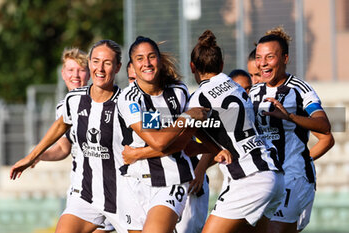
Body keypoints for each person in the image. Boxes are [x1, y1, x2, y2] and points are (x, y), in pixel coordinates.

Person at [10, 39, 127, 233]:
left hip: (120, 192)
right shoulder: (70, 103)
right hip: (83, 190)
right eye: (70, 70)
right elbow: (63, 144)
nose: (75, 75)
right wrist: (35, 155)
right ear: (63, 73)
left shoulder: (124, 101)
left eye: (80, 70)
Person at [116, 36, 230, 233]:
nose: (147, 63)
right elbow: (159, 142)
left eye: (151, 57)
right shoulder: (129, 98)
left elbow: (182, 142)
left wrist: (214, 148)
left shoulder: (178, 91)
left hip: (172, 180)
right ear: (132, 66)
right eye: (140, 59)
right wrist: (185, 117)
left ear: (159, 59)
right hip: (133, 182)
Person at [187, 29, 284, 233]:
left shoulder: (198, 99)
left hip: (249, 179)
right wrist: (213, 147)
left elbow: (184, 129)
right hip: (274, 175)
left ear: (192, 66)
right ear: (221, 65)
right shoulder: (237, 86)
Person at [249, 26, 333, 233]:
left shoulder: (299, 89)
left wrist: (290, 117)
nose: (263, 63)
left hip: (294, 177)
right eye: (259, 58)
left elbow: (324, 126)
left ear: (285, 58)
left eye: (270, 57)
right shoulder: (254, 91)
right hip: (267, 178)